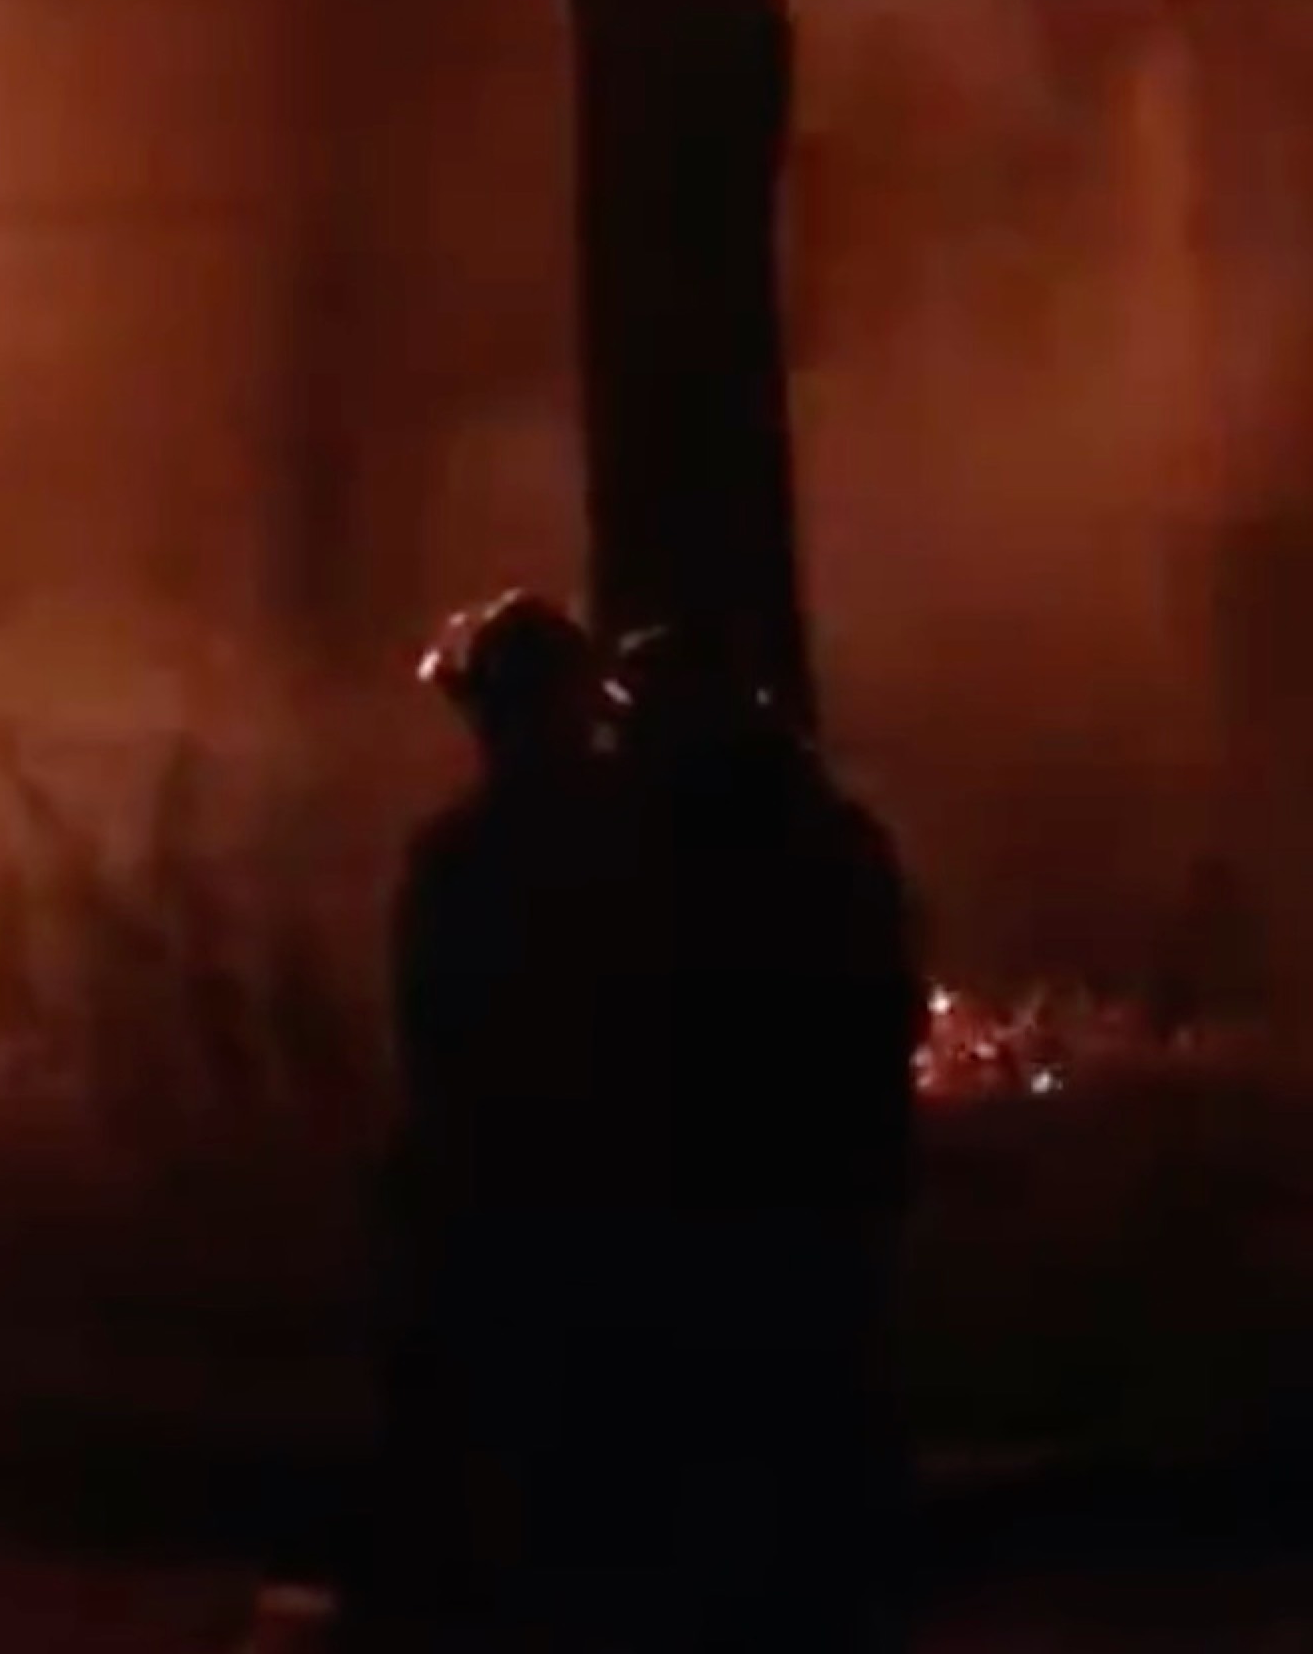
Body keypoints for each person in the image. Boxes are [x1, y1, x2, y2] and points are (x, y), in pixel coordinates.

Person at [606, 624, 925, 1654]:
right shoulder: (830, 833)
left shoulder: (655, 852)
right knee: (819, 1412)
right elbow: (892, 1000)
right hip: (824, 1174)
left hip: (721, 1179)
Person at [369, 591, 642, 1646]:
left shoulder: (457, 855)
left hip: (504, 1179)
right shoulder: (639, 835)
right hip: (611, 1178)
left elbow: (431, 1027)